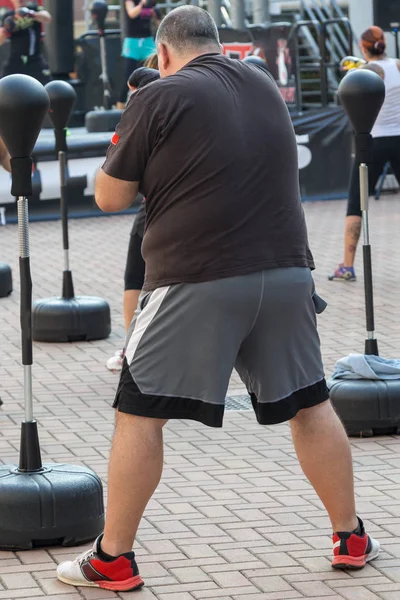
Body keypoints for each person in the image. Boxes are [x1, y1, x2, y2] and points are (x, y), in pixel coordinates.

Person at [56, 7, 380, 592]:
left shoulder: (158, 95)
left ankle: (112, 557)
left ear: (162, 53)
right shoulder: (259, 81)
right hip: (286, 272)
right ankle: (350, 534)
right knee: (310, 403)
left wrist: (134, 118)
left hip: (196, 274)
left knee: (138, 411)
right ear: (216, 43)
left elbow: (108, 198)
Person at [329, 26, 400, 281]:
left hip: (371, 140)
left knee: (355, 205)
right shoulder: (398, 66)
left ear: (363, 47)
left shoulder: (360, 73)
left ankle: (347, 266)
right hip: (398, 137)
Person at [106, 56, 160, 372]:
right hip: (169, 206)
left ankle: (132, 350)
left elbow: (111, 194)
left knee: (138, 279)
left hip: (157, 207)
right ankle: (133, 348)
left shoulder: (147, 106)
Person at [117, 0, 161, 109]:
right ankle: (120, 106)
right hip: (132, 42)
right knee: (128, 75)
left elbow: (159, 24)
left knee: (154, 72)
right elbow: (131, 13)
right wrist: (142, 4)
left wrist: (156, 14)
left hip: (147, 41)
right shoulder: (131, 1)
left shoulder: (151, 3)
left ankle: (153, 103)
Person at [0, 1, 51, 84]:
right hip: (16, 59)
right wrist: (7, 29)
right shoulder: (8, 16)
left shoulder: (34, 8)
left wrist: (32, 14)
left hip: (34, 58)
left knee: (47, 87)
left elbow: (47, 17)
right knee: (4, 85)